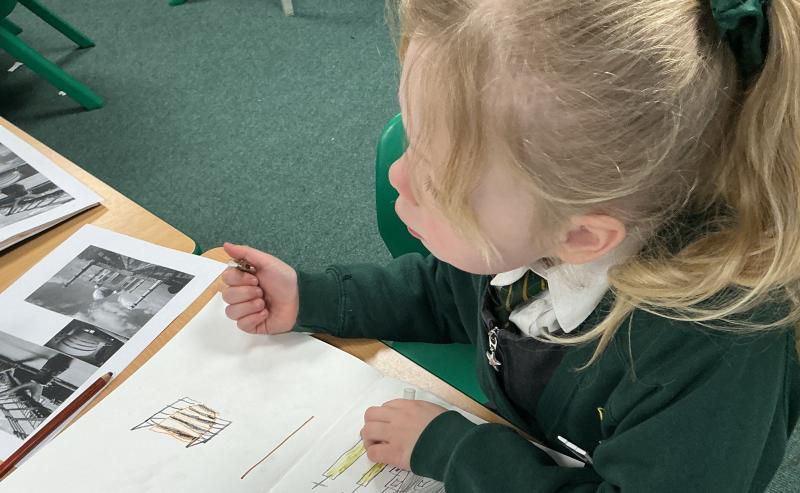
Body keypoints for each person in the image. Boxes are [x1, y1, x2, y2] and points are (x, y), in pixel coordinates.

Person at [221, 0, 800, 490]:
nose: (398, 175)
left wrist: (460, 453)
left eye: (438, 181)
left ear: (580, 237)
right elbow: (447, 293)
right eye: (412, 140)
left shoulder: (711, 364)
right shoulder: (541, 226)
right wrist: (314, 297)